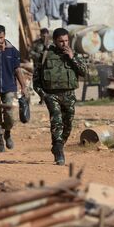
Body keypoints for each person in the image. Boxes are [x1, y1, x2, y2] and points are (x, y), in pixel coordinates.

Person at [33, 28, 87, 165]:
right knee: (56, 121)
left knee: (68, 123)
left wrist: (72, 57)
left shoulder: (73, 54)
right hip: (52, 95)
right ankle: (58, 151)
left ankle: (59, 145)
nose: (64, 44)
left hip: (69, 94)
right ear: (55, 41)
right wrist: (43, 95)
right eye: (61, 41)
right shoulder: (45, 55)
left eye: (66, 40)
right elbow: (36, 79)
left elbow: (84, 72)